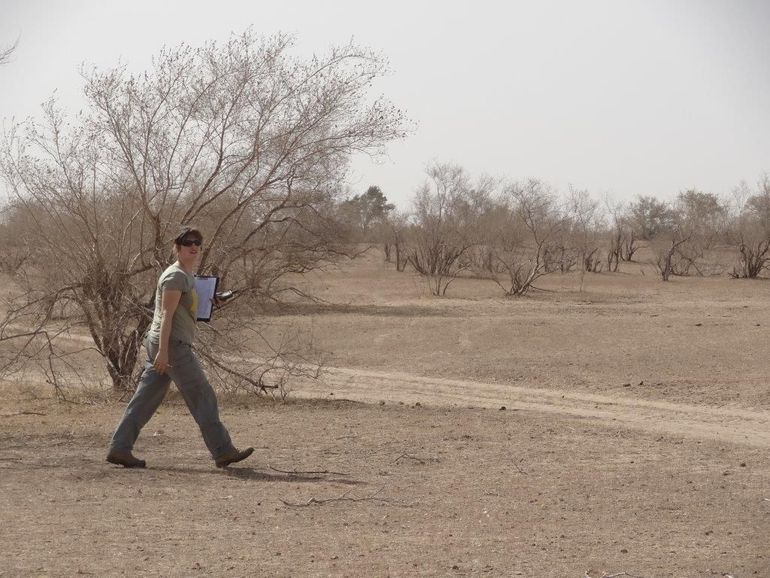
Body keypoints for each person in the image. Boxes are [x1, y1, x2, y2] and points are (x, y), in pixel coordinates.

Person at [106, 226, 253, 469]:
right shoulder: (175, 276)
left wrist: (211, 302)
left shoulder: (187, 276)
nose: (193, 246)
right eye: (187, 243)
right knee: (202, 395)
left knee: (145, 398)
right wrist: (164, 352)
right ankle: (223, 450)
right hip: (172, 345)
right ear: (177, 247)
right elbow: (166, 315)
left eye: (197, 242)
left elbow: (187, 309)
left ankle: (119, 448)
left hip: (165, 344)